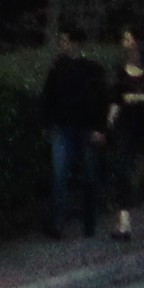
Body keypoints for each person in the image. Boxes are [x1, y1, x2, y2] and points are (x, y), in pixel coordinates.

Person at [98, 29, 144, 242]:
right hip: (126, 128)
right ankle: (124, 224)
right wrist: (107, 127)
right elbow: (115, 101)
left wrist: (139, 98)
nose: (126, 45)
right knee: (122, 172)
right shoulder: (121, 73)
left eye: (129, 40)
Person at [37, 36, 111, 242]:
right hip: (66, 126)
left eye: (66, 41)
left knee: (83, 174)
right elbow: (48, 95)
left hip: (83, 126)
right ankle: (61, 222)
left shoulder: (90, 69)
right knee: (64, 175)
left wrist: (100, 128)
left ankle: (85, 220)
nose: (64, 45)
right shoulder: (59, 68)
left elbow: (102, 98)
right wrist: (45, 123)